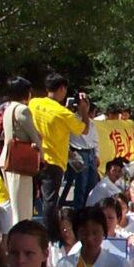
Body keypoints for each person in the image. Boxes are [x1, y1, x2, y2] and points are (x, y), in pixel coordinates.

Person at [30, 74, 90, 236]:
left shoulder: (34, 103)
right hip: (54, 162)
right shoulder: (63, 114)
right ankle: (50, 237)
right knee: (50, 202)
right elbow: (84, 129)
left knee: (31, 198)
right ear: (62, 89)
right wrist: (83, 110)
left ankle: (28, 229)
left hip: (33, 158)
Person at [0, 77, 40, 225]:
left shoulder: (8, 108)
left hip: (8, 157)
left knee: (14, 204)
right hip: (20, 161)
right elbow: (35, 137)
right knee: (22, 209)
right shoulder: (22, 110)